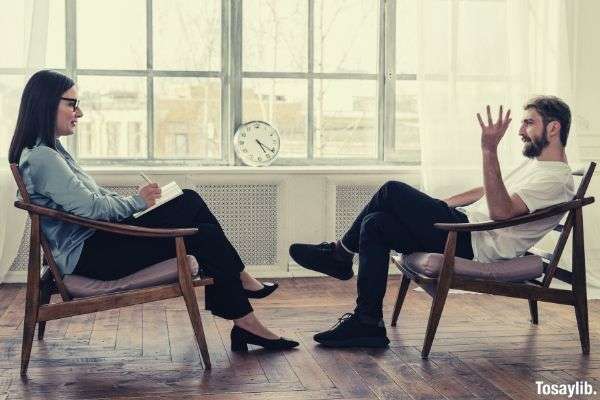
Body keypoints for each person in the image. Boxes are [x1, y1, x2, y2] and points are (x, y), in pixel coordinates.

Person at [8, 70, 298, 352]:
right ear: (46, 104)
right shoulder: (44, 157)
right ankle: (242, 289)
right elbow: (92, 208)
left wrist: (139, 202)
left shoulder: (51, 151)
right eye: (72, 104)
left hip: (96, 245)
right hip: (92, 257)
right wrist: (137, 202)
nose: (79, 113)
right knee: (189, 202)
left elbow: (91, 198)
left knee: (201, 226)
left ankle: (246, 320)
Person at [290, 96, 575, 348]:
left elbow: (501, 212)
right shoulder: (536, 167)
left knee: (392, 190)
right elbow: (489, 190)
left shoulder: (554, 180)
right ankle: (367, 322)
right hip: (465, 228)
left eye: (528, 123)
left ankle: (340, 255)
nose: (521, 131)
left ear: (553, 127)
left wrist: (489, 150)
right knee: (376, 223)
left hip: (474, 243)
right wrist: (440, 205)